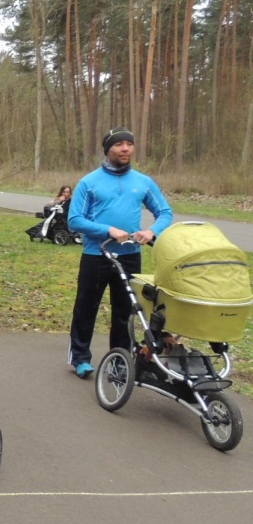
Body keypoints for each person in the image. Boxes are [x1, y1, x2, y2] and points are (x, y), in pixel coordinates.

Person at [66, 127, 173, 379]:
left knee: (125, 311)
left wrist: (151, 232)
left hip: (130, 255)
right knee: (86, 308)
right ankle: (80, 358)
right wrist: (108, 230)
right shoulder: (89, 182)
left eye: (129, 144)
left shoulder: (143, 182)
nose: (125, 149)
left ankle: (119, 360)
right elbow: (74, 220)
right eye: (118, 145)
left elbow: (165, 212)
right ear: (108, 149)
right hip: (96, 255)